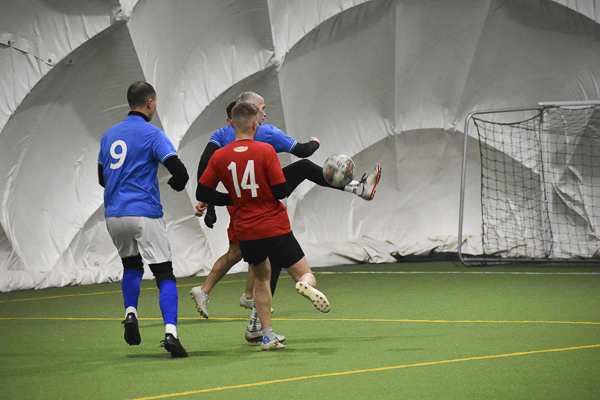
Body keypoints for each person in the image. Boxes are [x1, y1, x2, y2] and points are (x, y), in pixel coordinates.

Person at [190, 92, 381, 318]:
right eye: (261, 108)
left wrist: (211, 202)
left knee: (245, 251)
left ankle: (244, 301)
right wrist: (315, 142)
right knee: (303, 169)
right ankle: (357, 188)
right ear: (252, 113)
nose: (264, 113)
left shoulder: (221, 135)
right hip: (262, 202)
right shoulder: (267, 134)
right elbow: (302, 152)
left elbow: (204, 166)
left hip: (240, 202)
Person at [196, 102, 331, 350]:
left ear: (231, 125)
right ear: (255, 125)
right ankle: (305, 285)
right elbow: (280, 190)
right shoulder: (265, 151)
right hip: (274, 226)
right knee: (304, 273)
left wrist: (232, 198)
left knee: (261, 279)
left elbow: (202, 192)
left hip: (246, 231)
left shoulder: (219, 156)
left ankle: (267, 335)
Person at [98, 81, 189, 358]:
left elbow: (102, 178)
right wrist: (177, 183)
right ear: (150, 102)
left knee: (131, 266)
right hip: (144, 212)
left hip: (114, 214)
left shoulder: (109, 135)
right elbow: (179, 170)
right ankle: (171, 333)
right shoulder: (152, 133)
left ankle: (130, 313)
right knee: (164, 274)